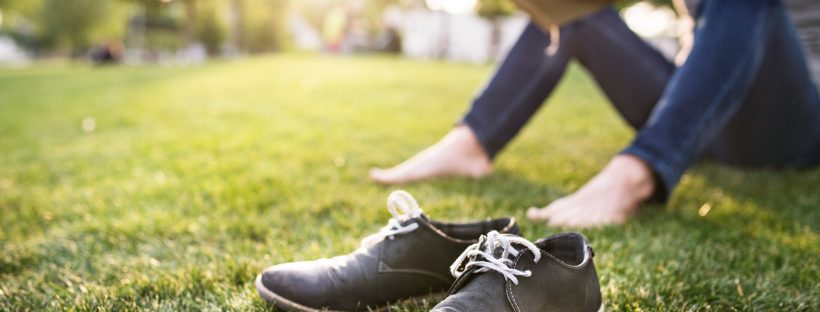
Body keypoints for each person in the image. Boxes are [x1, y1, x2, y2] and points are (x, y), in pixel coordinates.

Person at [369, 0, 820, 228]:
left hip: (791, 120)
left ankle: (640, 171)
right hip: (699, 111)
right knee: (575, 12)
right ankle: (471, 142)